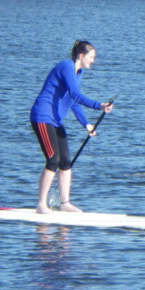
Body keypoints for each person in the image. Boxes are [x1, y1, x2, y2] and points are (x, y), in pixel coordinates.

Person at [30, 40, 113, 214]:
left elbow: (73, 101)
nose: (93, 61)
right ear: (81, 56)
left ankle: (65, 203)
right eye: (91, 57)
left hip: (56, 120)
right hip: (42, 117)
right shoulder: (66, 66)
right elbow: (76, 94)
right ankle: (40, 205)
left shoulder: (78, 72)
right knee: (53, 160)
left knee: (66, 162)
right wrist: (99, 105)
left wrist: (87, 124)